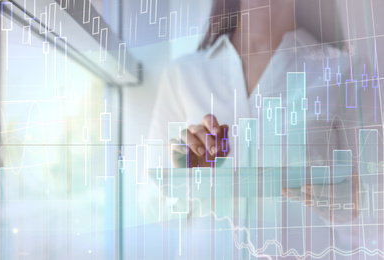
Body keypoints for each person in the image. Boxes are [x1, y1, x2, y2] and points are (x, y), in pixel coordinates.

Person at [148, 0, 382, 258]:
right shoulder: (182, 76)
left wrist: (355, 206)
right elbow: (153, 209)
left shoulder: (348, 72)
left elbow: (375, 218)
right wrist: (183, 176)